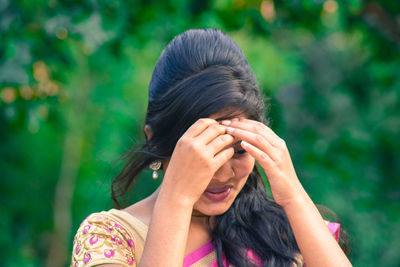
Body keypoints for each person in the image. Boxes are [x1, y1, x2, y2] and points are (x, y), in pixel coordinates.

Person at [71, 29, 351, 267]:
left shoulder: (282, 230)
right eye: (203, 153)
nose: (221, 173)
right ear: (155, 141)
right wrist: (176, 199)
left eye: (239, 150)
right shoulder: (110, 237)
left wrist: (292, 195)